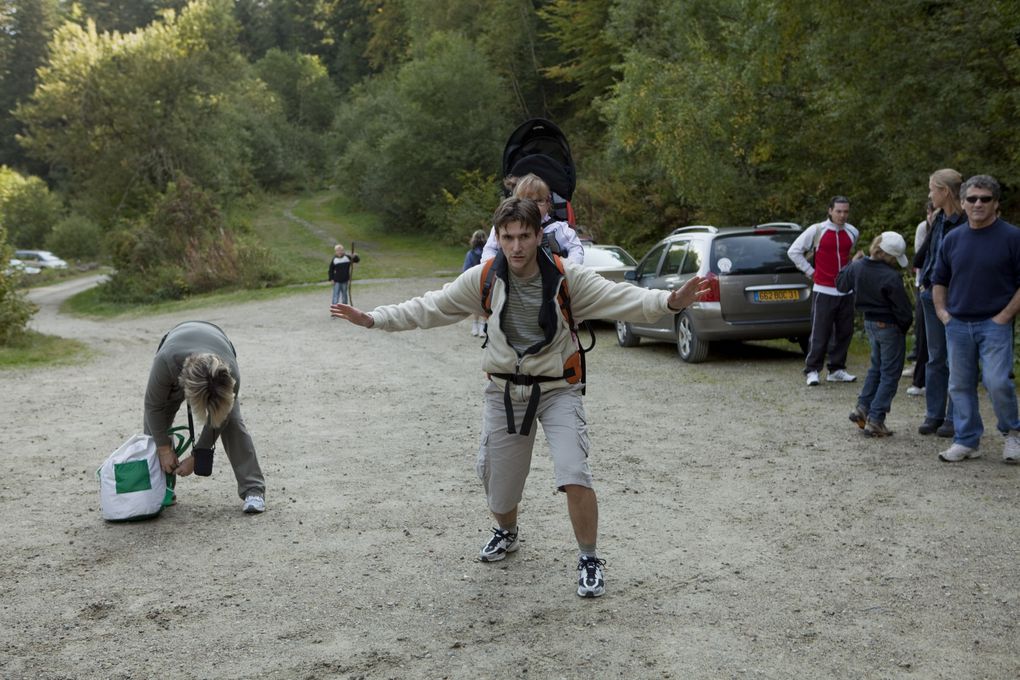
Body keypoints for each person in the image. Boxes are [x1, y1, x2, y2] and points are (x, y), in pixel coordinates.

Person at [330, 197, 709, 598]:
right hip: (504, 391)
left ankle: (589, 557)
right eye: (507, 237)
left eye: (524, 236)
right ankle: (507, 530)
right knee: (501, 487)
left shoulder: (567, 278)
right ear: (498, 237)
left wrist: (669, 302)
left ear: (538, 236)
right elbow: (431, 307)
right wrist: (375, 318)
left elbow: (623, 298)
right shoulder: (484, 278)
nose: (516, 247)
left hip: (557, 390)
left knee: (573, 472)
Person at [931, 175, 1020, 463]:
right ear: (963, 202)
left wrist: (1004, 316)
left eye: (985, 199)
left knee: (997, 382)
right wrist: (943, 313)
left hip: (995, 324)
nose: (978, 203)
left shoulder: (1012, 237)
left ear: (996, 203)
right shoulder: (953, 237)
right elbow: (939, 279)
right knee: (958, 385)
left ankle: (1013, 434)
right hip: (957, 324)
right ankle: (967, 440)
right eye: (972, 199)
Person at [144, 321, 267, 513]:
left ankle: (253, 490)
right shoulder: (165, 362)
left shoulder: (230, 374)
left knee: (232, 422)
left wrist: (197, 455)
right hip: (176, 361)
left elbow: (220, 418)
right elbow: (153, 407)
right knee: (155, 425)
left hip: (217, 347)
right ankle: (160, 489)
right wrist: (164, 448)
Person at [838, 233, 913, 437]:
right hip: (889, 326)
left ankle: (862, 407)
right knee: (890, 373)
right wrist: (903, 327)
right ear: (890, 256)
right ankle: (876, 418)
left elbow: (840, 284)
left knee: (876, 368)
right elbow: (904, 310)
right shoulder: (891, 276)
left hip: (869, 322)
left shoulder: (858, 266)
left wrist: (850, 264)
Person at [914, 169, 965, 437]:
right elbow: (925, 256)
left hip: (955, 298)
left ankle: (953, 417)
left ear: (944, 191)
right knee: (935, 358)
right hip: (929, 293)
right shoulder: (938, 219)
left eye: (932, 189)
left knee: (957, 358)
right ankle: (933, 414)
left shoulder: (966, 221)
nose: (930, 194)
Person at [787, 196, 860, 386]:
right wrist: (812, 272)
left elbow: (848, 256)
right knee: (820, 332)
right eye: (838, 211)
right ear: (830, 211)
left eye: (845, 211)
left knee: (844, 332)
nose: (842, 215)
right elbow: (793, 251)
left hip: (846, 291)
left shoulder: (852, 232)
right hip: (823, 290)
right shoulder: (817, 230)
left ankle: (837, 369)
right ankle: (812, 370)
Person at [481, 174, 584, 265]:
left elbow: (576, 248)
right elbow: (489, 249)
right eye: (527, 200)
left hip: (550, 279)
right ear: (516, 202)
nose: (533, 205)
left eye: (539, 200)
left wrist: (569, 267)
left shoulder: (558, 229)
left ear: (548, 204)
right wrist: (492, 267)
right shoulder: (504, 226)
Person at [906, 200, 936, 396]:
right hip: (924, 285)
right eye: (931, 213)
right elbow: (921, 258)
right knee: (923, 330)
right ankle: (919, 376)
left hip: (944, 287)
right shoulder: (923, 228)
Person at [463, 230, 487, 336]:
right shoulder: (488, 253)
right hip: (487, 281)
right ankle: (483, 326)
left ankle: (475, 325)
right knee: (485, 304)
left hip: (474, 282)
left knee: (476, 303)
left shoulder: (470, 254)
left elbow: (466, 270)